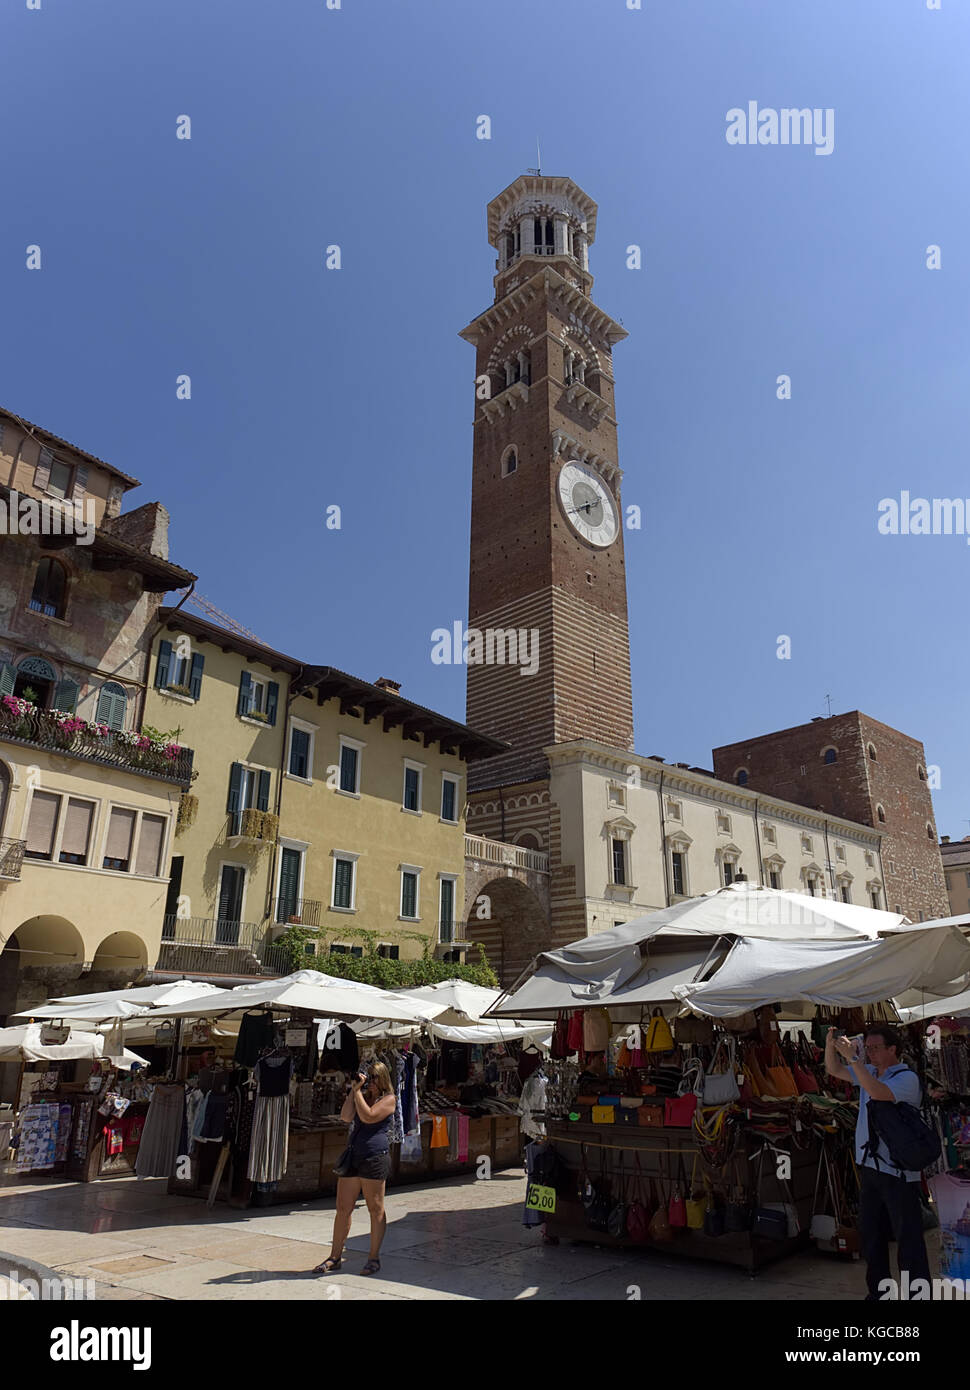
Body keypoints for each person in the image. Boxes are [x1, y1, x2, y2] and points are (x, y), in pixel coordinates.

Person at [825, 1023, 931, 1300]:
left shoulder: (906, 1079)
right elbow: (833, 1071)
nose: (869, 1053)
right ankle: (879, 1294)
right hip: (871, 1167)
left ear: (892, 1049)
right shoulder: (868, 1070)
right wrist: (831, 1046)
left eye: (875, 1048)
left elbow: (878, 1092)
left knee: (908, 1241)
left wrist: (854, 1059)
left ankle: (917, 1296)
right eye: (867, 1048)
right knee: (872, 1237)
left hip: (898, 1172)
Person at [313, 1060, 396, 1276]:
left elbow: (369, 1116)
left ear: (381, 1079)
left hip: (375, 1157)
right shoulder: (361, 1096)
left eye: (372, 1078)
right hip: (354, 1156)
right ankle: (335, 1256)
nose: (368, 1082)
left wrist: (358, 1091)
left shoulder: (389, 1099)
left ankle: (373, 1257)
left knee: (375, 1208)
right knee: (343, 1208)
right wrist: (353, 1091)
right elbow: (345, 1116)